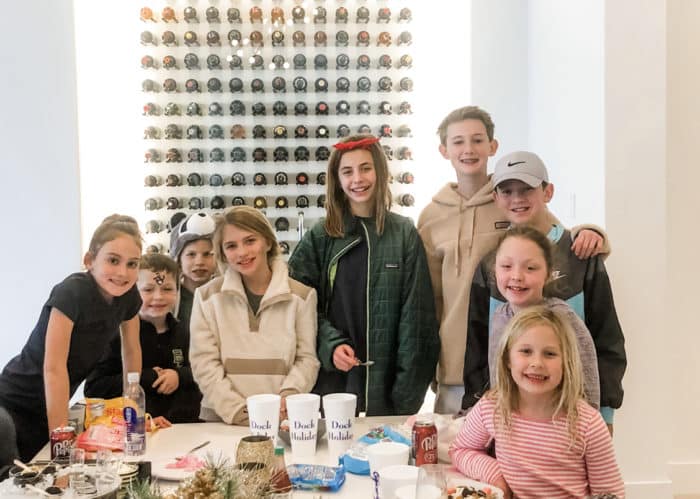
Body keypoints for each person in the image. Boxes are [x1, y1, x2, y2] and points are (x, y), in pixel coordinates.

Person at [418, 106, 605, 414]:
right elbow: (430, 298)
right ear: (444, 150)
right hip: (455, 364)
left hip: (517, 360)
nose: (468, 150)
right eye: (459, 141)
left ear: (493, 146)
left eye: (477, 140)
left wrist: (593, 233)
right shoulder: (431, 216)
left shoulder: (510, 199)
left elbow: (553, 236)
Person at [463, 151, 626, 430]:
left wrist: (604, 414)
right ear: (496, 198)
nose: (517, 198)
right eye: (508, 191)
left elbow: (607, 338)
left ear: (547, 191)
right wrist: (473, 407)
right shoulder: (491, 265)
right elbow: (478, 347)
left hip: (574, 416)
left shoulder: (580, 255)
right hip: (508, 418)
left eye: (527, 189)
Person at [288, 134, 440, 416]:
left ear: (380, 172)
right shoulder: (320, 237)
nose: (357, 179)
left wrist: (407, 395)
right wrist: (329, 344)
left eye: (365, 168)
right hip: (329, 387)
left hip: (386, 391)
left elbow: (416, 320)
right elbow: (297, 308)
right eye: (348, 171)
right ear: (337, 179)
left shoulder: (403, 233)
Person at [0, 215, 142, 461]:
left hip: (48, 409)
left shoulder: (128, 297)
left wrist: (132, 411)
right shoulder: (72, 292)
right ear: (89, 261)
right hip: (13, 402)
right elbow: (53, 368)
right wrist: (61, 443)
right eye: (113, 260)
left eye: (132, 264)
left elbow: (131, 351)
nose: (122, 272)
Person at [450, 306, 625, 499]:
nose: (537, 363)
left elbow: (610, 493)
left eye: (550, 354)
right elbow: (461, 450)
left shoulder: (588, 423)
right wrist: (497, 477)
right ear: (507, 359)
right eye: (526, 351)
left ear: (567, 362)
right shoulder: (491, 407)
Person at [189, 206, 320, 425]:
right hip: (222, 419)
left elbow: (307, 359)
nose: (242, 252)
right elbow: (203, 362)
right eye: (231, 246)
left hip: (282, 418)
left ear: (268, 242)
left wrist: (287, 399)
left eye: (250, 241)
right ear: (222, 252)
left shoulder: (302, 297)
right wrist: (237, 410)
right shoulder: (206, 297)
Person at [484, 226, 600, 409]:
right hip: (513, 429)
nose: (516, 276)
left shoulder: (563, 318)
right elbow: (498, 381)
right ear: (494, 269)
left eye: (530, 268)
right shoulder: (499, 317)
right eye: (506, 266)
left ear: (548, 273)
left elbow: (588, 383)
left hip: (561, 428)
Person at [85, 253, 202, 424]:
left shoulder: (186, 332)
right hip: (136, 431)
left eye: (167, 289)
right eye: (148, 290)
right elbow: (94, 387)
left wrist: (179, 375)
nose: (158, 297)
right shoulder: (117, 337)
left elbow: (203, 371)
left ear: (178, 290)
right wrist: (144, 377)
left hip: (183, 428)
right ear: (132, 291)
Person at [168, 212, 217, 325]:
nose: (199, 262)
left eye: (207, 254)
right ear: (178, 259)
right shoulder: (169, 298)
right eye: (191, 254)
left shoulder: (224, 295)